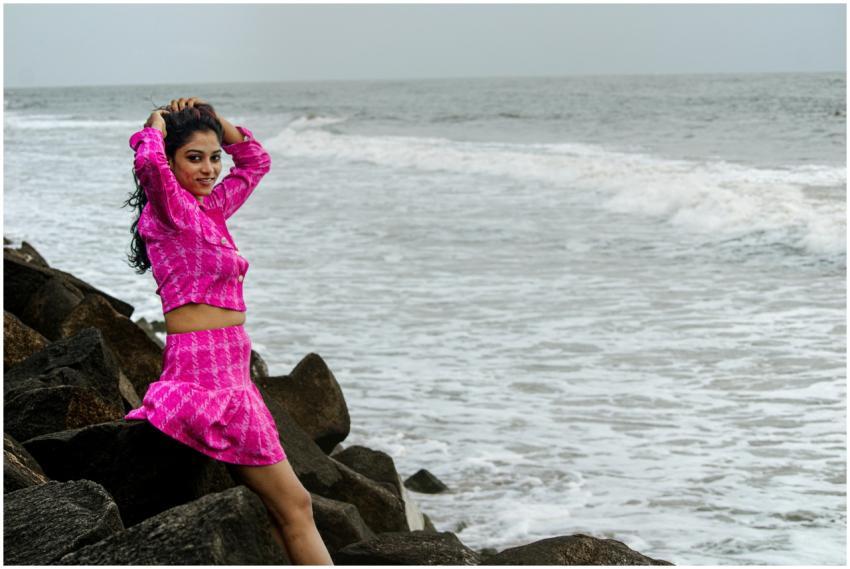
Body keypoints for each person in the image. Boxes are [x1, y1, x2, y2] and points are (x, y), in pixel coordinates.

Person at [123, 97, 333, 565]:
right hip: (204, 374)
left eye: (214, 157)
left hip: (234, 376)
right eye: (194, 157)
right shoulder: (169, 209)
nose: (209, 168)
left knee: (282, 513)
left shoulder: (208, 210)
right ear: (172, 158)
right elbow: (151, 168)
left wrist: (218, 122)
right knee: (296, 505)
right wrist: (154, 126)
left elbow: (256, 162)